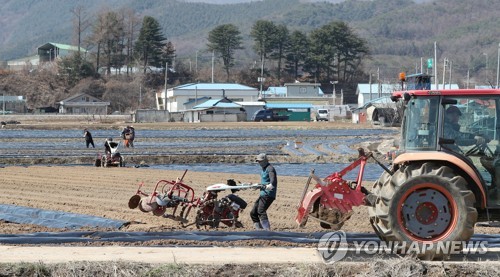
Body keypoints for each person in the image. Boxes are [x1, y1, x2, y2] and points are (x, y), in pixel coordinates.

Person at [250, 153, 277, 231]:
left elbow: (273, 180)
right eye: (258, 161)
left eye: (260, 161)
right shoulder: (263, 169)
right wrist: (257, 186)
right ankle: (259, 230)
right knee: (253, 213)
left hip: (269, 194)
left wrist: (270, 185)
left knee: (261, 211)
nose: (259, 163)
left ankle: (267, 230)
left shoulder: (270, 168)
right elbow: (264, 183)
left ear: (265, 160)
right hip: (263, 194)